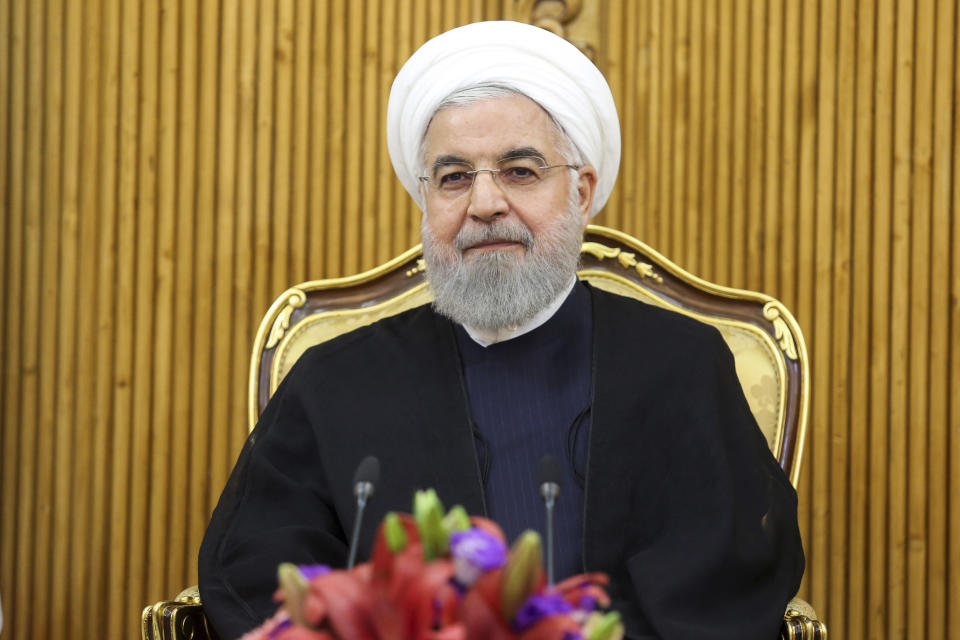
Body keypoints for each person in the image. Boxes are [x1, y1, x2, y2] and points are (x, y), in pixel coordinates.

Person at [199, 21, 804, 640]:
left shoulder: (679, 366)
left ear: (581, 192)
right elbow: (258, 574)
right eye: (454, 177)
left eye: (518, 170)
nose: (484, 204)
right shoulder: (334, 383)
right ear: (426, 202)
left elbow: (725, 571)